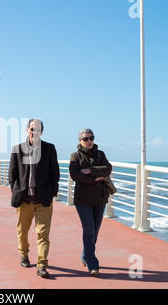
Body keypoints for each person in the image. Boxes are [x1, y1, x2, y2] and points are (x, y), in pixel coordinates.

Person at [8, 119, 59, 279]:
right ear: (27, 130)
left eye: (37, 129)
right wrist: (16, 191)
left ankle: (42, 264)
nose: (34, 132)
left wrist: (51, 193)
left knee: (43, 234)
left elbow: (55, 174)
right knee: (22, 232)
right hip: (24, 200)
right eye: (31, 129)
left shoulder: (49, 149)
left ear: (41, 132)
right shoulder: (17, 149)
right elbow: (12, 175)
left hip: (43, 200)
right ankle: (24, 254)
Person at [69, 128, 112, 276]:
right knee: (89, 230)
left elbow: (108, 169)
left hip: (100, 198)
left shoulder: (100, 154)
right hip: (83, 200)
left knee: (95, 231)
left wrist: (90, 170)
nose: (89, 141)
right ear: (80, 140)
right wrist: (96, 178)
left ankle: (86, 255)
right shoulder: (75, 156)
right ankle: (93, 264)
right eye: (86, 139)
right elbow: (75, 175)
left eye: (91, 138)